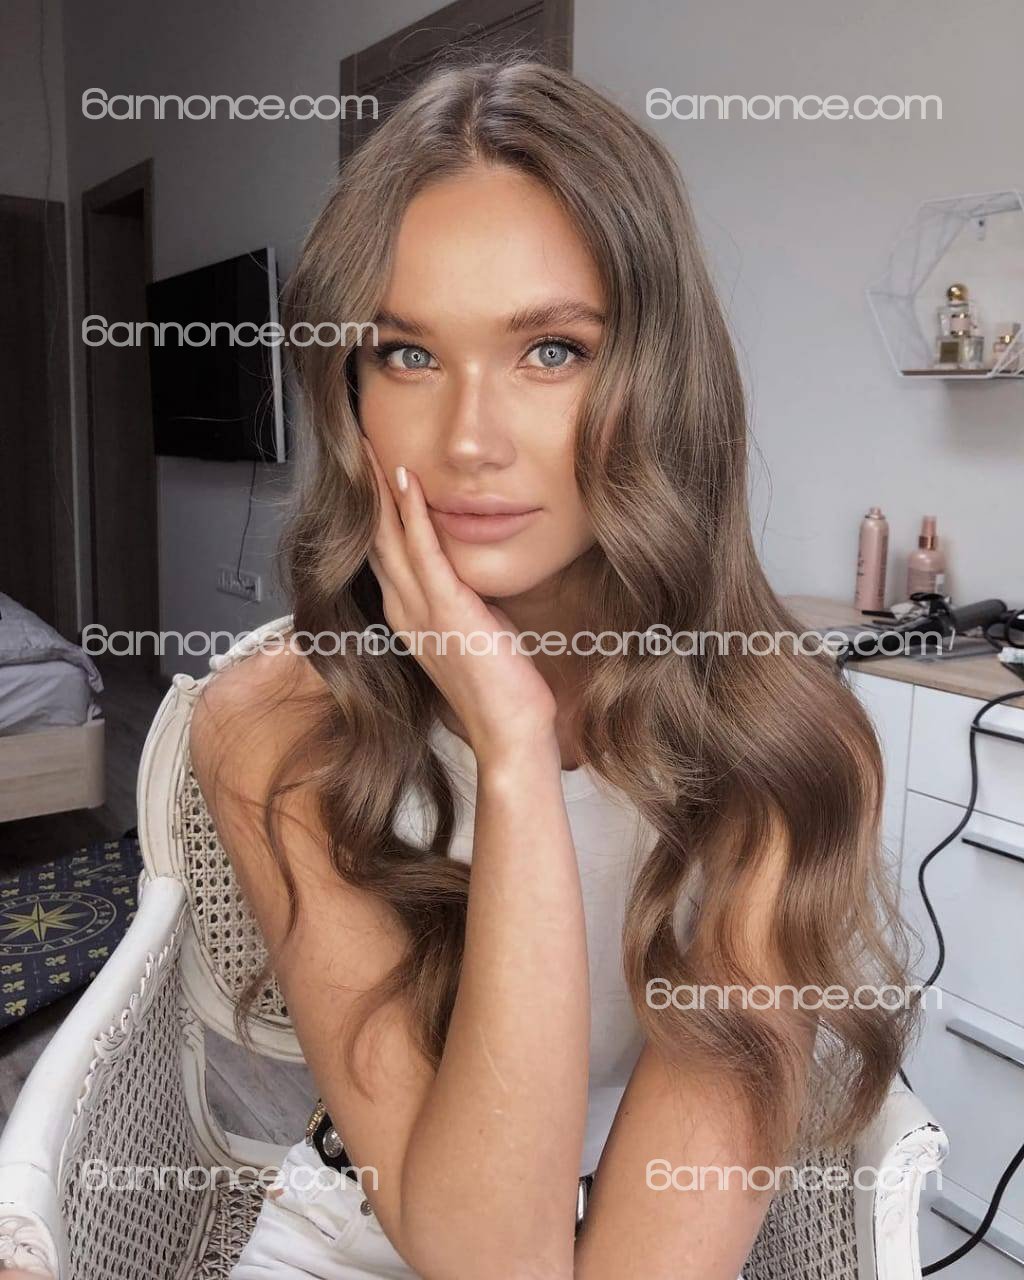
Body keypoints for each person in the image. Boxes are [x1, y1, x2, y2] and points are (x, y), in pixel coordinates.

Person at [189, 54, 916, 1280]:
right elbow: (481, 1252)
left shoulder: (777, 742)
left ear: (658, 381)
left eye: (551, 351)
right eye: (407, 354)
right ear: (348, 387)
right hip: (364, 1223)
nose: (470, 439)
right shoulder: (274, 721)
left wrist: (515, 743)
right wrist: (516, 750)